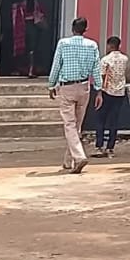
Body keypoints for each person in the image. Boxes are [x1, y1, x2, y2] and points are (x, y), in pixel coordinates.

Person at [47, 16, 99, 174]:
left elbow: (57, 65)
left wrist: (51, 84)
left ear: (72, 28)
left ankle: (79, 156)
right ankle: (68, 160)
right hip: (84, 86)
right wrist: (99, 89)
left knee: (69, 124)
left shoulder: (63, 43)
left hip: (67, 87)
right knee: (77, 125)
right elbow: (96, 68)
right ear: (85, 29)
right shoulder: (92, 45)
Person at [92, 35, 130, 159]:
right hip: (120, 93)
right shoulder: (125, 59)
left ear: (109, 45)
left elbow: (102, 76)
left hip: (107, 92)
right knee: (114, 121)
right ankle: (110, 147)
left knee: (100, 120)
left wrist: (98, 92)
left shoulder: (105, 60)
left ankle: (99, 146)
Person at [13, 0, 49, 76]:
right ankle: (31, 70)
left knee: (25, 49)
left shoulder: (21, 4)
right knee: (33, 49)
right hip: (34, 27)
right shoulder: (36, 3)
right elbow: (43, 13)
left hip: (24, 27)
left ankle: (24, 69)